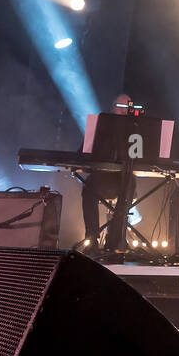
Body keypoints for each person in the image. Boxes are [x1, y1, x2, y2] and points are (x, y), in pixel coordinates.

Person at [79, 93, 132, 251]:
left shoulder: (136, 128)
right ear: (113, 108)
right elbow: (83, 153)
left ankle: (115, 237)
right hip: (101, 178)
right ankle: (92, 237)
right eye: (121, 107)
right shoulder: (100, 126)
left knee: (130, 183)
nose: (124, 111)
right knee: (89, 186)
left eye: (128, 107)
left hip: (121, 179)